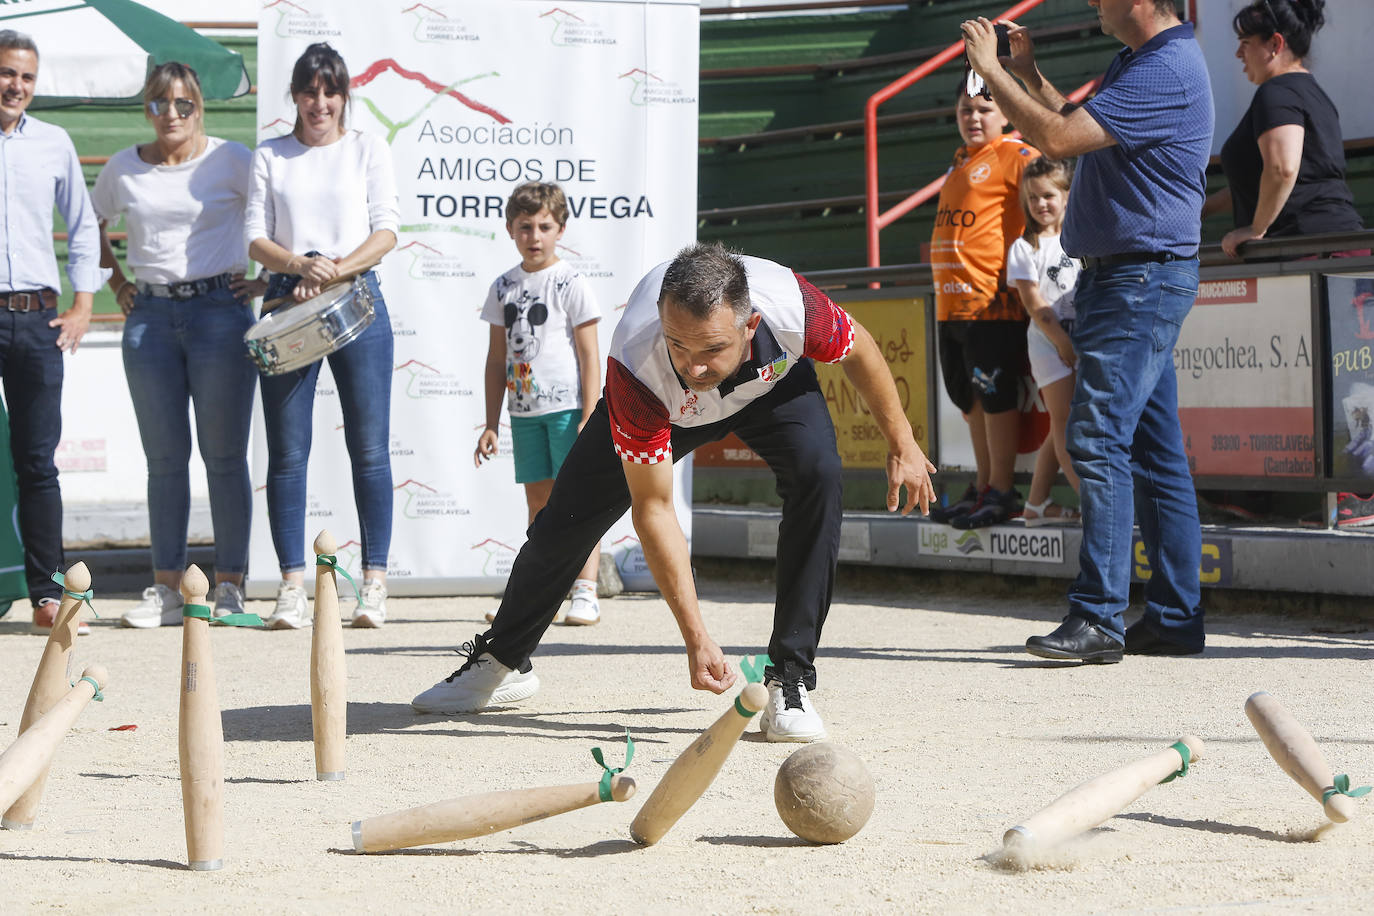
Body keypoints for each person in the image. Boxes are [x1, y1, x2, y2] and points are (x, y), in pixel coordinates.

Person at [413, 243, 936, 742]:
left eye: (712, 347)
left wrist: (904, 443)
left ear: (750, 324)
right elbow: (654, 509)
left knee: (818, 475)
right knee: (562, 525)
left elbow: (859, 348)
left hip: (770, 389)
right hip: (664, 410)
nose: (695, 366)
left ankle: (790, 680)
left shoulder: (792, 309)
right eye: (678, 345)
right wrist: (696, 637)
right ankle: (501, 661)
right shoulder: (637, 365)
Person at [961, 0, 1213, 663]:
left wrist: (992, 70)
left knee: (1097, 437)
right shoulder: (1147, 59)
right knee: (1155, 454)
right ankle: (1175, 617)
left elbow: (1058, 141)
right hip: (1131, 277)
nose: (1094, 3)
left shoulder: (1165, 65)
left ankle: (1099, 616)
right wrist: (1028, 74)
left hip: (1137, 280)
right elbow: (1070, 123)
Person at [92, 63, 262, 629]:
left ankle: (231, 585)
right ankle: (165, 587)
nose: (171, 115)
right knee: (164, 461)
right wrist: (116, 283)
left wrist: (262, 280)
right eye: (159, 104)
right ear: (146, 109)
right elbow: (89, 223)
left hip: (220, 312)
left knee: (224, 457)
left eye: (183, 104)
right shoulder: (122, 168)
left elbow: (271, 216)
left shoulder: (231, 159)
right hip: (150, 319)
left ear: (199, 109)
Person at [245, 42, 398, 629]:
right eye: (309, 90)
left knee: (370, 449)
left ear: (344, 96)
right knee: (286, 453)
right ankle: (290, 586)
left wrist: (334, 267)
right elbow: (255, 238)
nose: (320, 102)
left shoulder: (367, 148)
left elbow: (386, 231)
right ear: (294, 96)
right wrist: (297, 265)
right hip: (287, 302)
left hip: (357, 299)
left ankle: (375, 583)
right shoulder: (271, 155)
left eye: (330, 90)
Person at [1203, 0, 1371, 528]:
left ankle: (1353, 498)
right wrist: (1212, 207)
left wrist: (1256, 229)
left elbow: (1284, 165)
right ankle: (1259, 494)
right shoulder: (1306, 91)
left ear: (1275, 44)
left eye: (1246, 43)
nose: (1237, 53)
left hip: (1311, 252)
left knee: (1333, 379)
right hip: (1327, 248)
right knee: (1315, 377)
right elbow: (1270, 169)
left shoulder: (1277, 91)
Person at [0, 31, 103, 636]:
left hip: (38, 319)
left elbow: (84, 227)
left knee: (37, 462)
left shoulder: (53, 143)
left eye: (26, 78)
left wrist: (86, 303)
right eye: (7, 73)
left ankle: (46, 592)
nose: (15, 86)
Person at [474, 182, 604, 626]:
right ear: (510, 229)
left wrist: (590, 412)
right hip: (524, 414)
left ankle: (586, 590)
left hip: (569, 411)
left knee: (581, 501)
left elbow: (589, 354)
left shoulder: (571, 281)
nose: (534, 235)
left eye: (544, 226)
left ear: (560, 229)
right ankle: (538, 595)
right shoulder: (502, 286)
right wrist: (490, 422)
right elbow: (495, 360)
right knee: (540, 505)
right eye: (525, 226)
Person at [928, 87, 1037, 529]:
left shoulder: (1016, 153)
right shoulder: (961, 159)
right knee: (970, 399)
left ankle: (1003, 490)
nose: (974, 117)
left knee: (993, 396)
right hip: (950, 302)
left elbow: (1052, 198)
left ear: (1006, 114)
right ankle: (983, 484)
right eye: (965, 109)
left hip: (992, 301)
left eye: (985, 109)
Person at [1005, 156, 1081, 527]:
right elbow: (1035, 304)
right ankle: (1096, 505)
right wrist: (1063, 342)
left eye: (1049, 195)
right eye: (1033, 197)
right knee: (1066, 423)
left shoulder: (1083, 239)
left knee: (1061, 423)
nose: (1041, 204)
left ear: (1067, 195)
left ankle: (1035, 505)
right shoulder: (1023, 249)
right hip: (1050, 346)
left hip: (1083, 341)